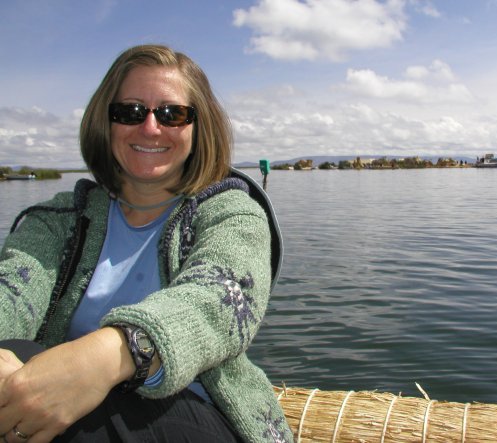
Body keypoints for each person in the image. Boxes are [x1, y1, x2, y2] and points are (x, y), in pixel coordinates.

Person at [0, 44, 293, 443]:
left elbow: (222, 298)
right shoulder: (59, 219)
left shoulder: (232, 213)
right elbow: (13, 291)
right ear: (106, 123)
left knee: (86, 417)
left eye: (172, 114)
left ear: (197, 126)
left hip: (204, 418)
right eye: (131, 112)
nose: (151, 128)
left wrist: (108, 356)